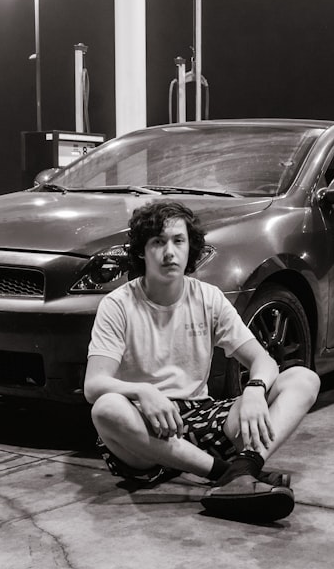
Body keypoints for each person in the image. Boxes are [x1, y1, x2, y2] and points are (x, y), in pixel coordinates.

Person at [83, 201, 320, 523]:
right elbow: (94, 385)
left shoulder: (207, 297)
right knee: (106, 408)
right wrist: (142, 392)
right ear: (141, 251)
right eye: (158, 242)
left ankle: (244, 468)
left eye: (178, 241)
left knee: (302, 379)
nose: (169, 252)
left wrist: (253, 390)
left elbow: (262, 360)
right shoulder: (118, 304)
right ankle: (229, 476)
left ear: (190, 247)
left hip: (201, 418)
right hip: (144, 436)